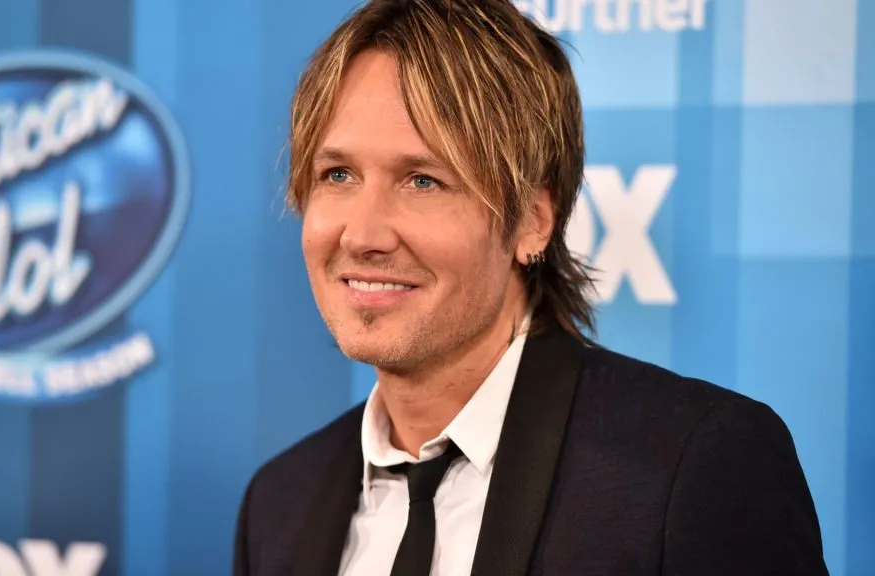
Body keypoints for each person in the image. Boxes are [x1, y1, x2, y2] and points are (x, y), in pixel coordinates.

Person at [233, 0, 829, 574]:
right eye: (338, 174)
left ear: (532, 221)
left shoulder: (693, 467)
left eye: (422, 180)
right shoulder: (279, 503)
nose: (362, 234)